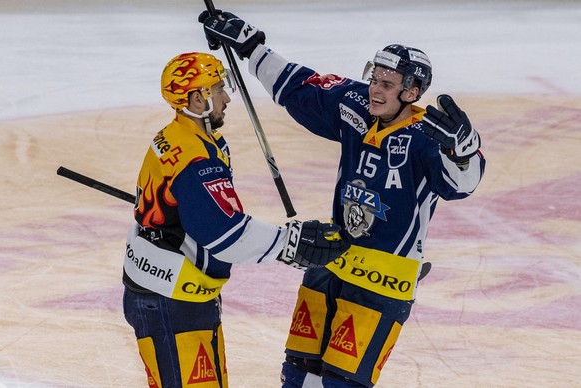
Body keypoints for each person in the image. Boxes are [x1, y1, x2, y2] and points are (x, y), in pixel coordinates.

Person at [200, 12, 486, 388]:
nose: (375, 89)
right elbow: (300, 87)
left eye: (387, 84)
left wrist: (464, 153)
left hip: (383, 279)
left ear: (412, 92)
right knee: (297, 373)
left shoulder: (428, 137)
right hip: (332, 258)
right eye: (374, 79)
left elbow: (459, 186)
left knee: (341, 383)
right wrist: (252, 47)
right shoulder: (356, 105)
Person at [122, 51, 350, 388]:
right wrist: (291, 243)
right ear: (196, 99)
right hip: (170, 301)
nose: (226, 97)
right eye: (217, 89)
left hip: (176, 293)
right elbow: (225, 234)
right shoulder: (195, 158)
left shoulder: (187, 137)